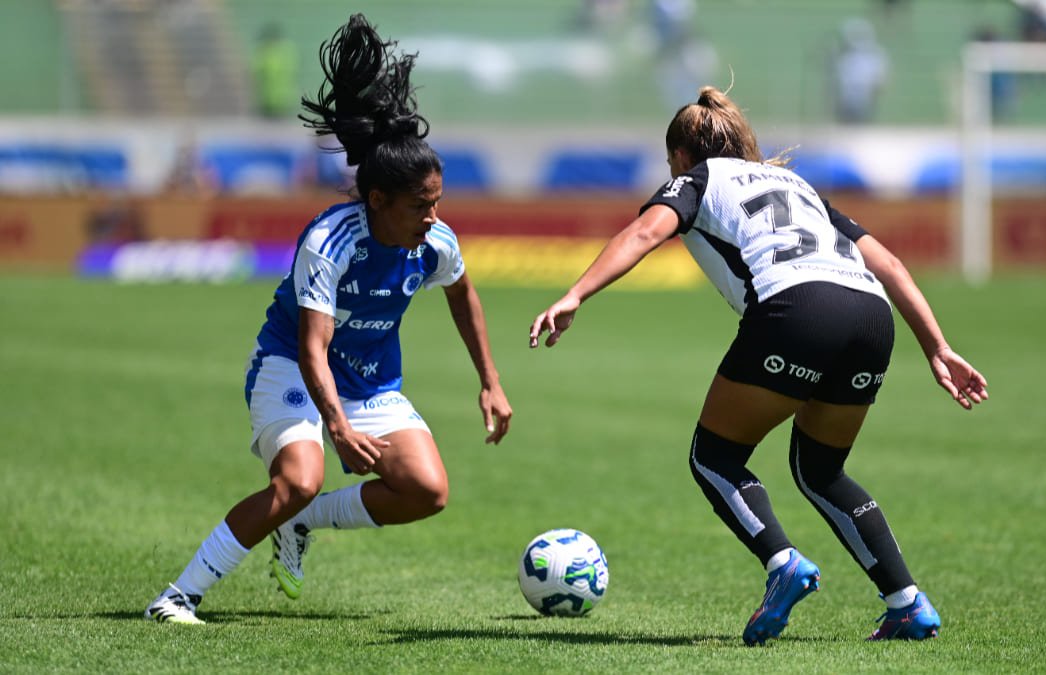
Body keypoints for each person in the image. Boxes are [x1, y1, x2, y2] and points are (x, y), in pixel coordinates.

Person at [529, 86, 987, 645]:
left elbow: (648, 230)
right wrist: (937, 346)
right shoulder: (799, 185)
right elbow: (887, 263)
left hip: (798, 309)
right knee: (820, 470)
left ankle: (783, 563)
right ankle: (907, 602)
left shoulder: (695, 180)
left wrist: (576, 293)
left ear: (678, 156)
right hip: (872, 318)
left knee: (714, 456)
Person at [146, 14, 513, 624]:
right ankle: (178, 597)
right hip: (290, 363)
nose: (434, 215)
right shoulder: (330, 241)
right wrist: (337, 428)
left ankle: (300, 526)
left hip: (368, 379)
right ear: (378, 200)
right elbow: (313, 348)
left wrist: (490, 381)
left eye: (438, 201)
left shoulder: (435, 241)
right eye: (422, 205)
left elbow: (462, 295)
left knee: (428, 491)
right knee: (298, 479)